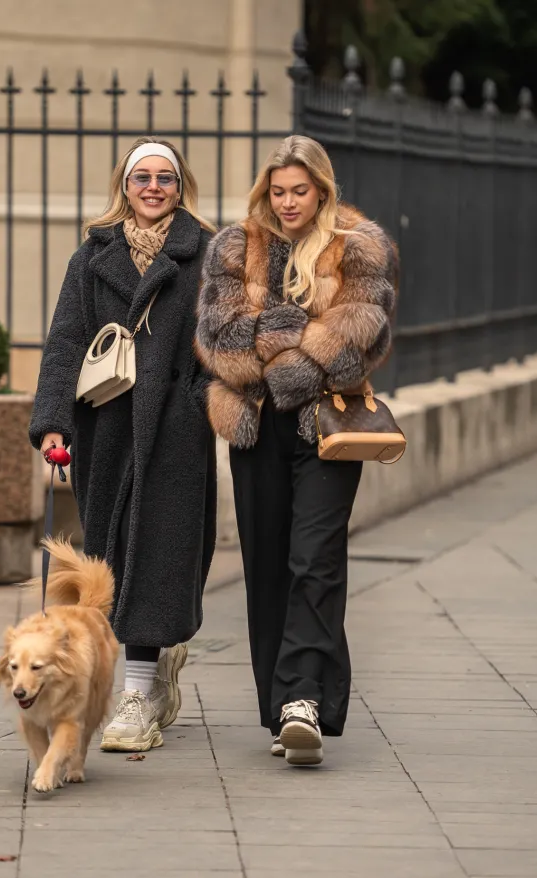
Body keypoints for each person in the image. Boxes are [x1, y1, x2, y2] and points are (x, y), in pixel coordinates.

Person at [195, 135, 398, 766]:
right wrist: (302, 340)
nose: (288, 203)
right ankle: (280, 703)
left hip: (327, 425)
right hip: (257, 424)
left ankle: (303, 702)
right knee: (267, 566)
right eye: (278, 191)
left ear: (322, 189)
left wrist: (286, 357)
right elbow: (219, 337)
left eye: (299, 191)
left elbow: (365, 337)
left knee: (316, 557)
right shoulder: (234, 247)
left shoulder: (360, 246)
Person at [29, 137, 217, 752]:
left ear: (180, 185)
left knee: (160, 554)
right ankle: (150, 676)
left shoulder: (207, 254)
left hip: (174, 432)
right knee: (109, 557)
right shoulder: (91, 258)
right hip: (104, 428)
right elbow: (64, 340)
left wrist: (198, 404)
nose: (154, 188)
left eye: (166, 177)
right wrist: (53, 419)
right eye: (143, 177)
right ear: (125, 184)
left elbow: (224, 342)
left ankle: (136, 695)